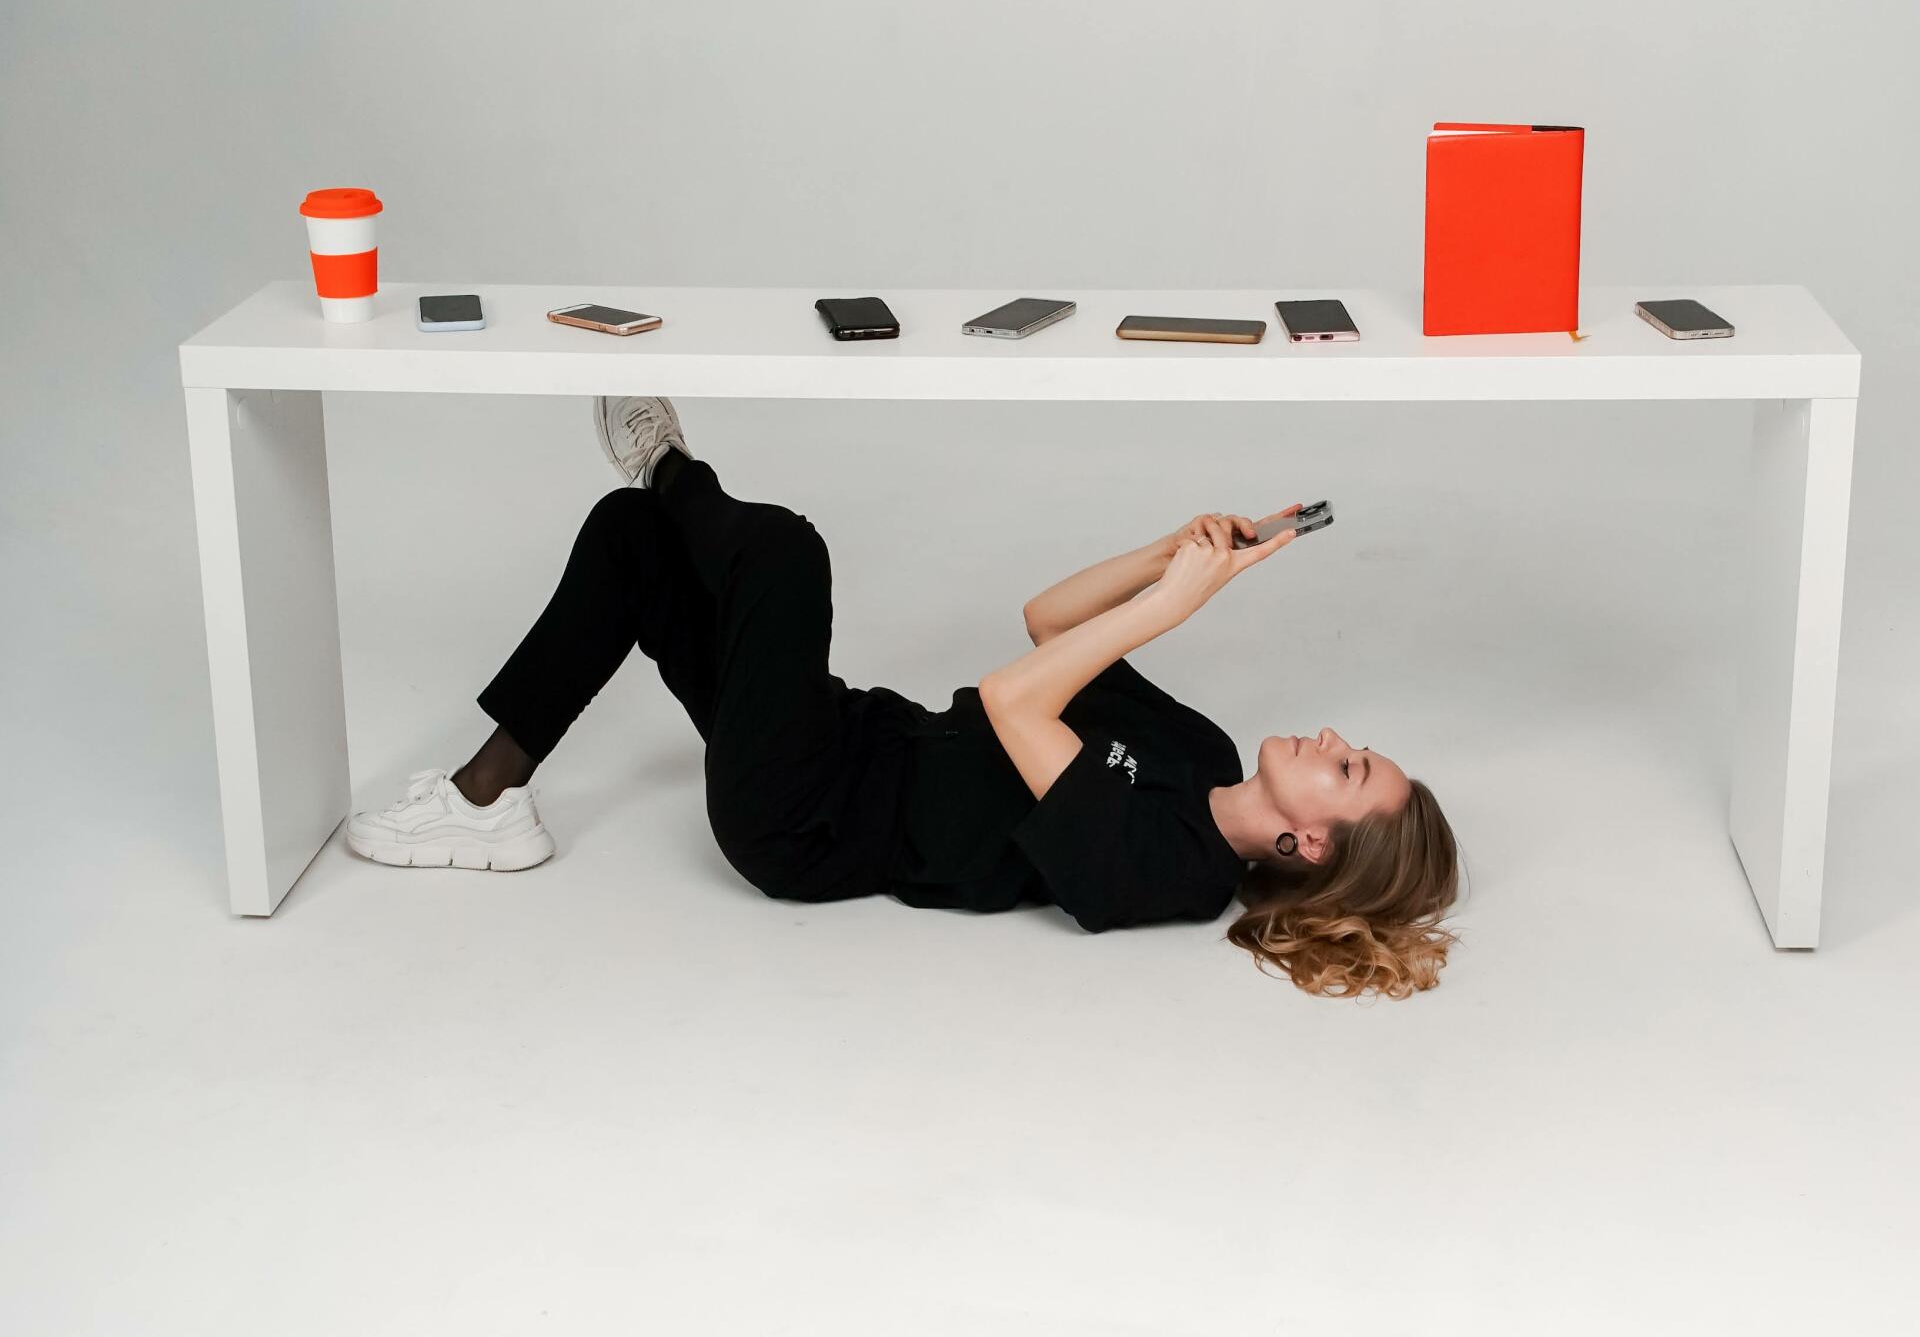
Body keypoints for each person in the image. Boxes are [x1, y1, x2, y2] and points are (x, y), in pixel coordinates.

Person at [346, 396, 1463, 997]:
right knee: (634, 540)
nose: (1332, 737)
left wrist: (1173, 610)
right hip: (843, 732)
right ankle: (486, 799)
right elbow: (1048, 623)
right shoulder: (1201, 750)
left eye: (1348, 766)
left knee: (785, 555)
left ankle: (670, 462)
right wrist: (1166, 553)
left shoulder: (1174, 873)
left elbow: (1014, 702)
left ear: (1311, 846)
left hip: (804, 820)